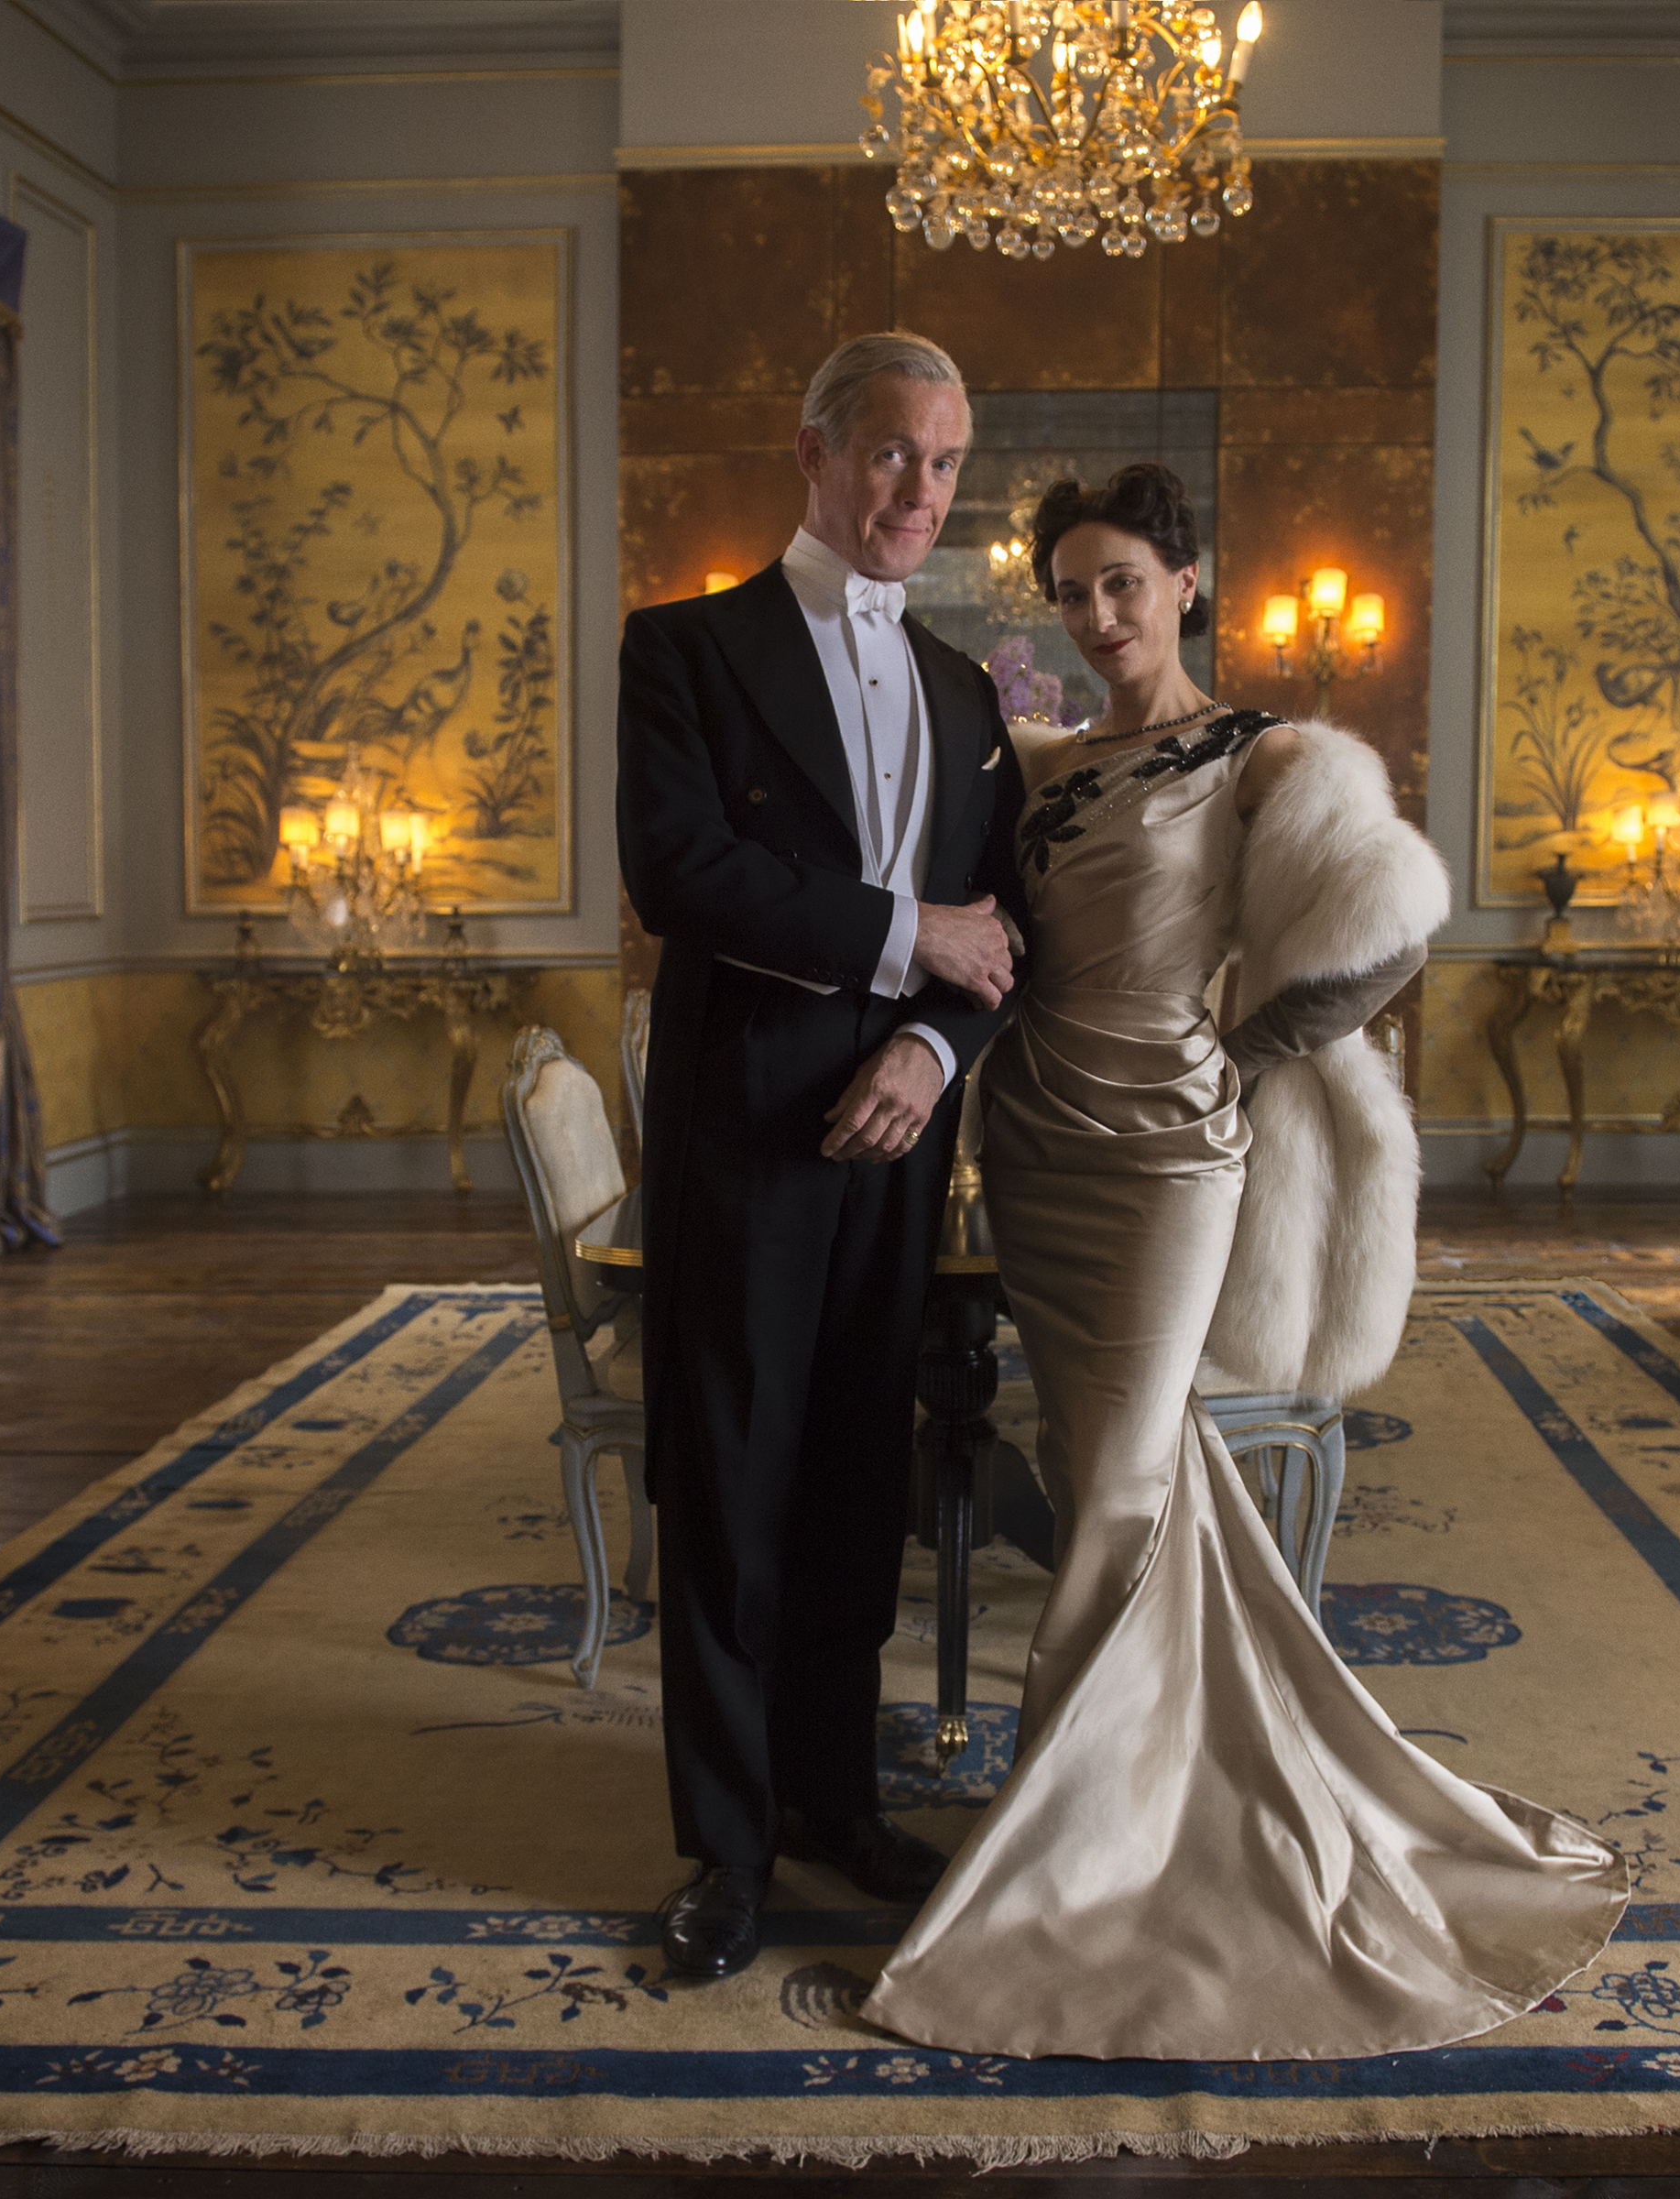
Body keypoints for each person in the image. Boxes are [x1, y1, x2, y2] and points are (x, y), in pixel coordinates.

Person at [861, 464, 1629, 2061]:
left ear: (1185, 581)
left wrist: (1252, 1051)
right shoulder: (1052, 759)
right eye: (1071, 590)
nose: (1096, 614)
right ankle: (1165, 1782)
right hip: (1039, 1146)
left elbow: (1392, 923)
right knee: (1099, 1470)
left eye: (1124, 582)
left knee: (1129, 1480)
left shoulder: (1260, 746)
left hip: (1163, 1153)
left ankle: (1065, 1851)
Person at [616, 332, 1034, 1982]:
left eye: (943, 462)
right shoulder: (689, 651)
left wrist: (934, 1047)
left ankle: (830, 1798)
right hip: (746, 1128)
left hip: (902, 1135)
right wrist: (900, 939)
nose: (918, 491)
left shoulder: (962, 686)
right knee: (733, 1484)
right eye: (888, 455)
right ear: (813, 453)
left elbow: (1006, 939)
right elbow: (683, 875)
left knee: (863, 1478)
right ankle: (722, 1847)